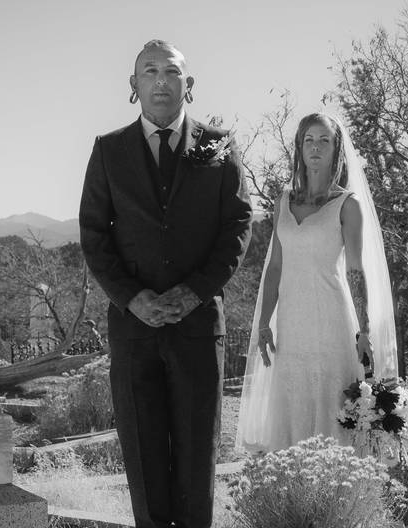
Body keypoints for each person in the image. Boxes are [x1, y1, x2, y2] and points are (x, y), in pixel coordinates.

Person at [80, 40, 252, 528]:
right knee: (144, 457)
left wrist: (196, 290)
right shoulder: (108, 151)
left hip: (198, 326)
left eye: (171, 72)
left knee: (198, 458)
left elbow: (237, 227)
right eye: (149, 71)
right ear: (133, 87)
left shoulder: (219, 145)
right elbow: (94, 235)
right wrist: (131, 298)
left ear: (188, 85)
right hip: (134, 330)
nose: (160, 80)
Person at [236, 112, 398, 453]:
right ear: (299, 147)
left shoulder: (347, 204)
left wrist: (364, 330)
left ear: (336, 149)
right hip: (291, 325)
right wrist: (264, 321)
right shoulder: (284, 201)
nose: (315, 147)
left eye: (324, 140)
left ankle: (338, 498)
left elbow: (355, 269)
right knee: (292, 405)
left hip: (332, 321)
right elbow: (275, 267)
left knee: (330, 411)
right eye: (309, 139)